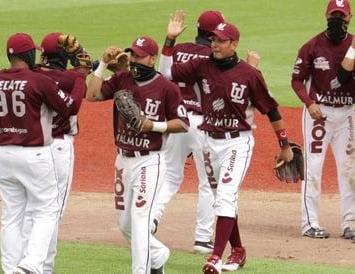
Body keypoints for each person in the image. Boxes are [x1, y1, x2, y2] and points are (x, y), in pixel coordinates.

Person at [158, 15, 294, 273]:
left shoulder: (249, 74)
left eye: (220, 40)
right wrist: (170, 40)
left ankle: (215, 258)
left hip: (237, 144)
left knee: (225, 196)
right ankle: (239, 250)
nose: (214, 44)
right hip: (209, 143)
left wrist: (284, 144)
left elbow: (272, 111)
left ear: (234, 43)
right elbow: (166, 72)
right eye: (212, 39)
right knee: (224, 200)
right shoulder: (202, 65)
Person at [152, 10, 261, 255]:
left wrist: (169, 40)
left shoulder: (179, 50)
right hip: (205, 125)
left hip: (177, 120)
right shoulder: (211, 56)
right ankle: (202, 238)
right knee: (208, 184)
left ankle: (152, 219)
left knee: (170, 175)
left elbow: (164, 72)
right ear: (213, 34)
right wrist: (251, 69)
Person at [0, 32, 85, 274]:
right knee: (47, 209)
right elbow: (71, 106)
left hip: (3, 154)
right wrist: (81, 76)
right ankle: (31, 265)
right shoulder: (37, 81)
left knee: (12, 215)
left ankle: (11, 269)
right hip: (34, 155)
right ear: (29, 54)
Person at [86, 36, 190, 274]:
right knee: (125, 226)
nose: (134, 59)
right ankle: (158, 254)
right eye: (132, 54)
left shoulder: (166, 87)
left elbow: (183, 123)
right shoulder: (122, 79)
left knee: (141, 219)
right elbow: (91, 96)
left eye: (140, 55)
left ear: (153, 59)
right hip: (123, 160)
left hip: (150, 161)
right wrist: (102, 64)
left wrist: (153, 126)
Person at [291, 0, 355, 240]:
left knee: (349, 170)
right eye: (333, 14)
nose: (337, 19)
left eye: (342, 15)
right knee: (313, 168)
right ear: (326, 15)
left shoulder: (354, 46)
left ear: (349, 18)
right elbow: (297, 80)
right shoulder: (312, 46)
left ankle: (350, 223)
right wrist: (309, 103)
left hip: (348, 113)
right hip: (319, 114)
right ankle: (310, 223)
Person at [29, 32, 88, 274]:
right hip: (59, 148)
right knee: (52, 214)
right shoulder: (72, 79)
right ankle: (44, 268)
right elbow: (80, 83)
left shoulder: (33, 75)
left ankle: (26, 262)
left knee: (33, 210)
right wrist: (89, 61)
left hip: (33, 149)